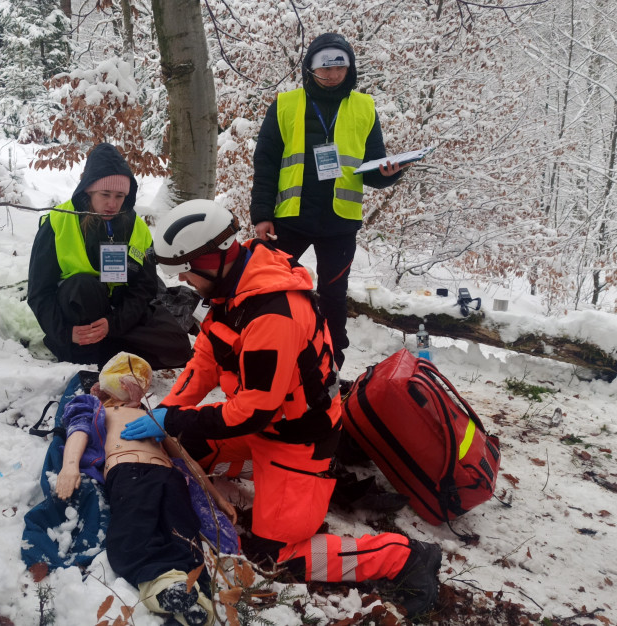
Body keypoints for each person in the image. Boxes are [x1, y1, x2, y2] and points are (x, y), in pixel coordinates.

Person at [123, 200, 441, 619]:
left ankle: (403, 556)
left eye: (185, 268)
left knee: (278, 556)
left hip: (297, 441)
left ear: (210, 258)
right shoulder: (230, 290)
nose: (182, 279)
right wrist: (166, 412)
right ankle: (262, 472)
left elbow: (253, 411)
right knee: (181, 446)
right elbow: (203, 364)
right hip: (261, 429)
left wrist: (177, 419)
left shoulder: (273, 313)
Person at [249, 33, 409, 370]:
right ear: (310, 68)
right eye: (324, 68)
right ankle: (268, 353)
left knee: (334, 297)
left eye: (339, 67)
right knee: (273, 289)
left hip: (339, 224)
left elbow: (371, 169)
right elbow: (265, 163)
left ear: (349, 70)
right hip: (289, 219)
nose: (332, 75)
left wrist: (390, 173)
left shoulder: (365, 107)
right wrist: (262, 215)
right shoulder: (285, 104)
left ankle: (332, 360)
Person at [56, 353, 236, 626]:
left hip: (169, 476)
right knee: (133, 531)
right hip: (130, 472)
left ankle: (192, 596)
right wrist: (69, 467)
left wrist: (217, 496)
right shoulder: (98, 410)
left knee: (184, 532)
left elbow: (184, 457)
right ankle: (163, 587)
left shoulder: (150, 416)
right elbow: (79, 430)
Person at [27, 143, 192, 370]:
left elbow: (145, 288)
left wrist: (113, 324)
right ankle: (85, 348)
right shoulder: (58, 222)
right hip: (77, 311)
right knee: (84, 287)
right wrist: (65, 333)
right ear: (88, 191)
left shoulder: (136, 226)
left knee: (178, 347)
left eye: (119, 196)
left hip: (117, 315)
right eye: (105, 194)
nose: (112, 204)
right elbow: (39, 293)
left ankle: (100, 350)